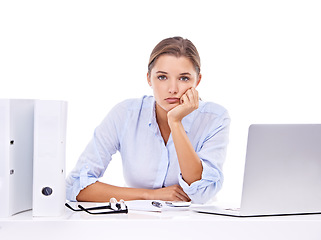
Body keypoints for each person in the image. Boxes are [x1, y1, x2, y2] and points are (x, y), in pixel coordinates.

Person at [66, 36, 230, 204]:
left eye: (184, 78)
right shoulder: (125, 114)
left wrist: (175, 122)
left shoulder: (215, 118)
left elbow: (201, 192)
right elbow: (76, 185)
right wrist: (149, 195)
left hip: (196, 224)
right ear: (148, 78)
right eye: (162, 77)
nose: (173, 89)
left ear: (198, 80)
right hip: (138, 222)